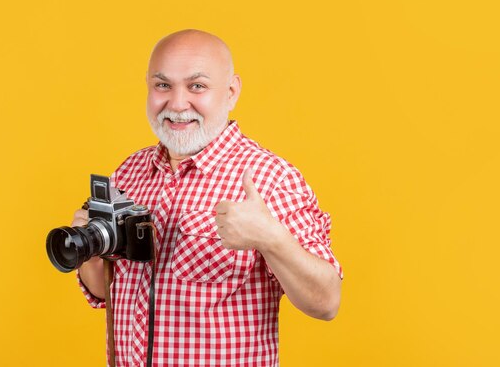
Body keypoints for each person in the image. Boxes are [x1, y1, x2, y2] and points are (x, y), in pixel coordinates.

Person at [72, 29, 343, 366]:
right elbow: (105, 290)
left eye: (196, 86)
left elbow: (327, 301)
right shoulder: (128, 172)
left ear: (231, 92)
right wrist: (90, 251)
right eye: (163, 85)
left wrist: (271, 239)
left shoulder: (270, 179)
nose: (177, 102)